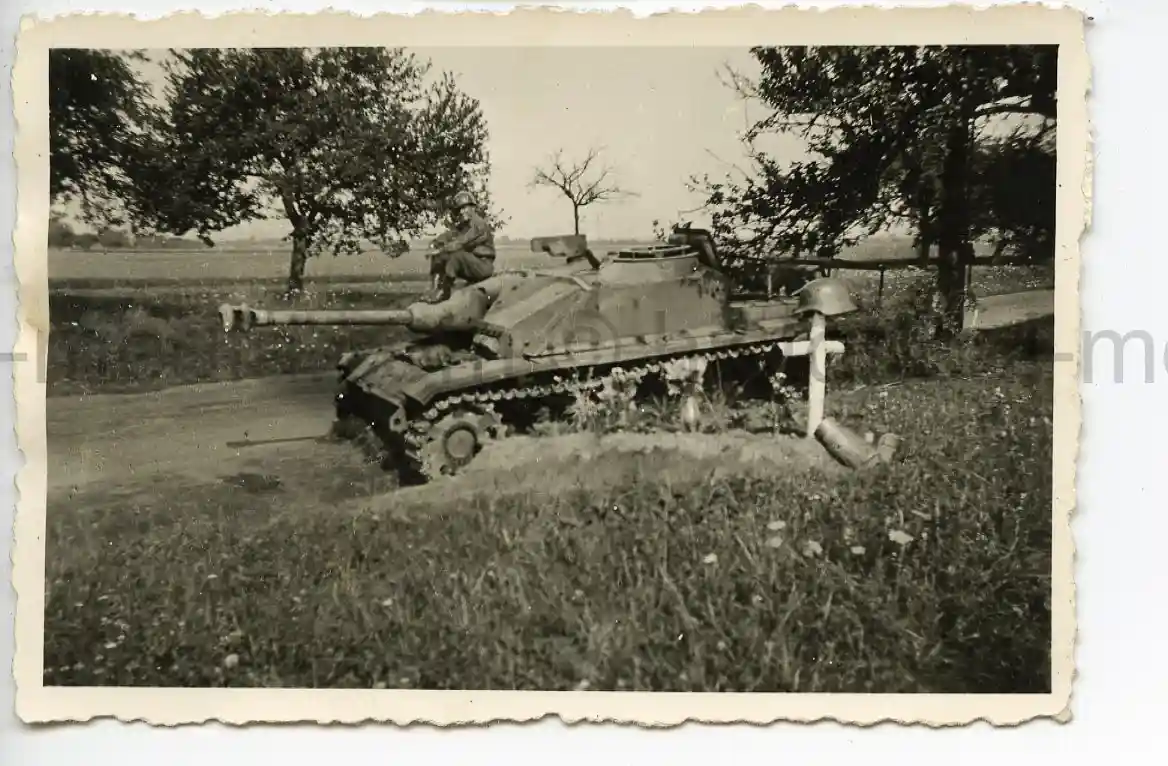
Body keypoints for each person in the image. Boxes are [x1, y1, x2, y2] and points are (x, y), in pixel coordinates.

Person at [426, 190, 496, 302]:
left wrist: (441, 249)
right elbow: (450, 234)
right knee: (440, 257)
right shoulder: (464, 226)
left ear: (473, 208)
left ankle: (444, 291)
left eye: (464, 208)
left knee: (456, 256)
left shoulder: (479, 225)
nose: (461, 212)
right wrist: (435, 243)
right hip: (471, 264)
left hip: (483, 266)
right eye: (459, 209)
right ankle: (434, 289)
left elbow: (462, 242)